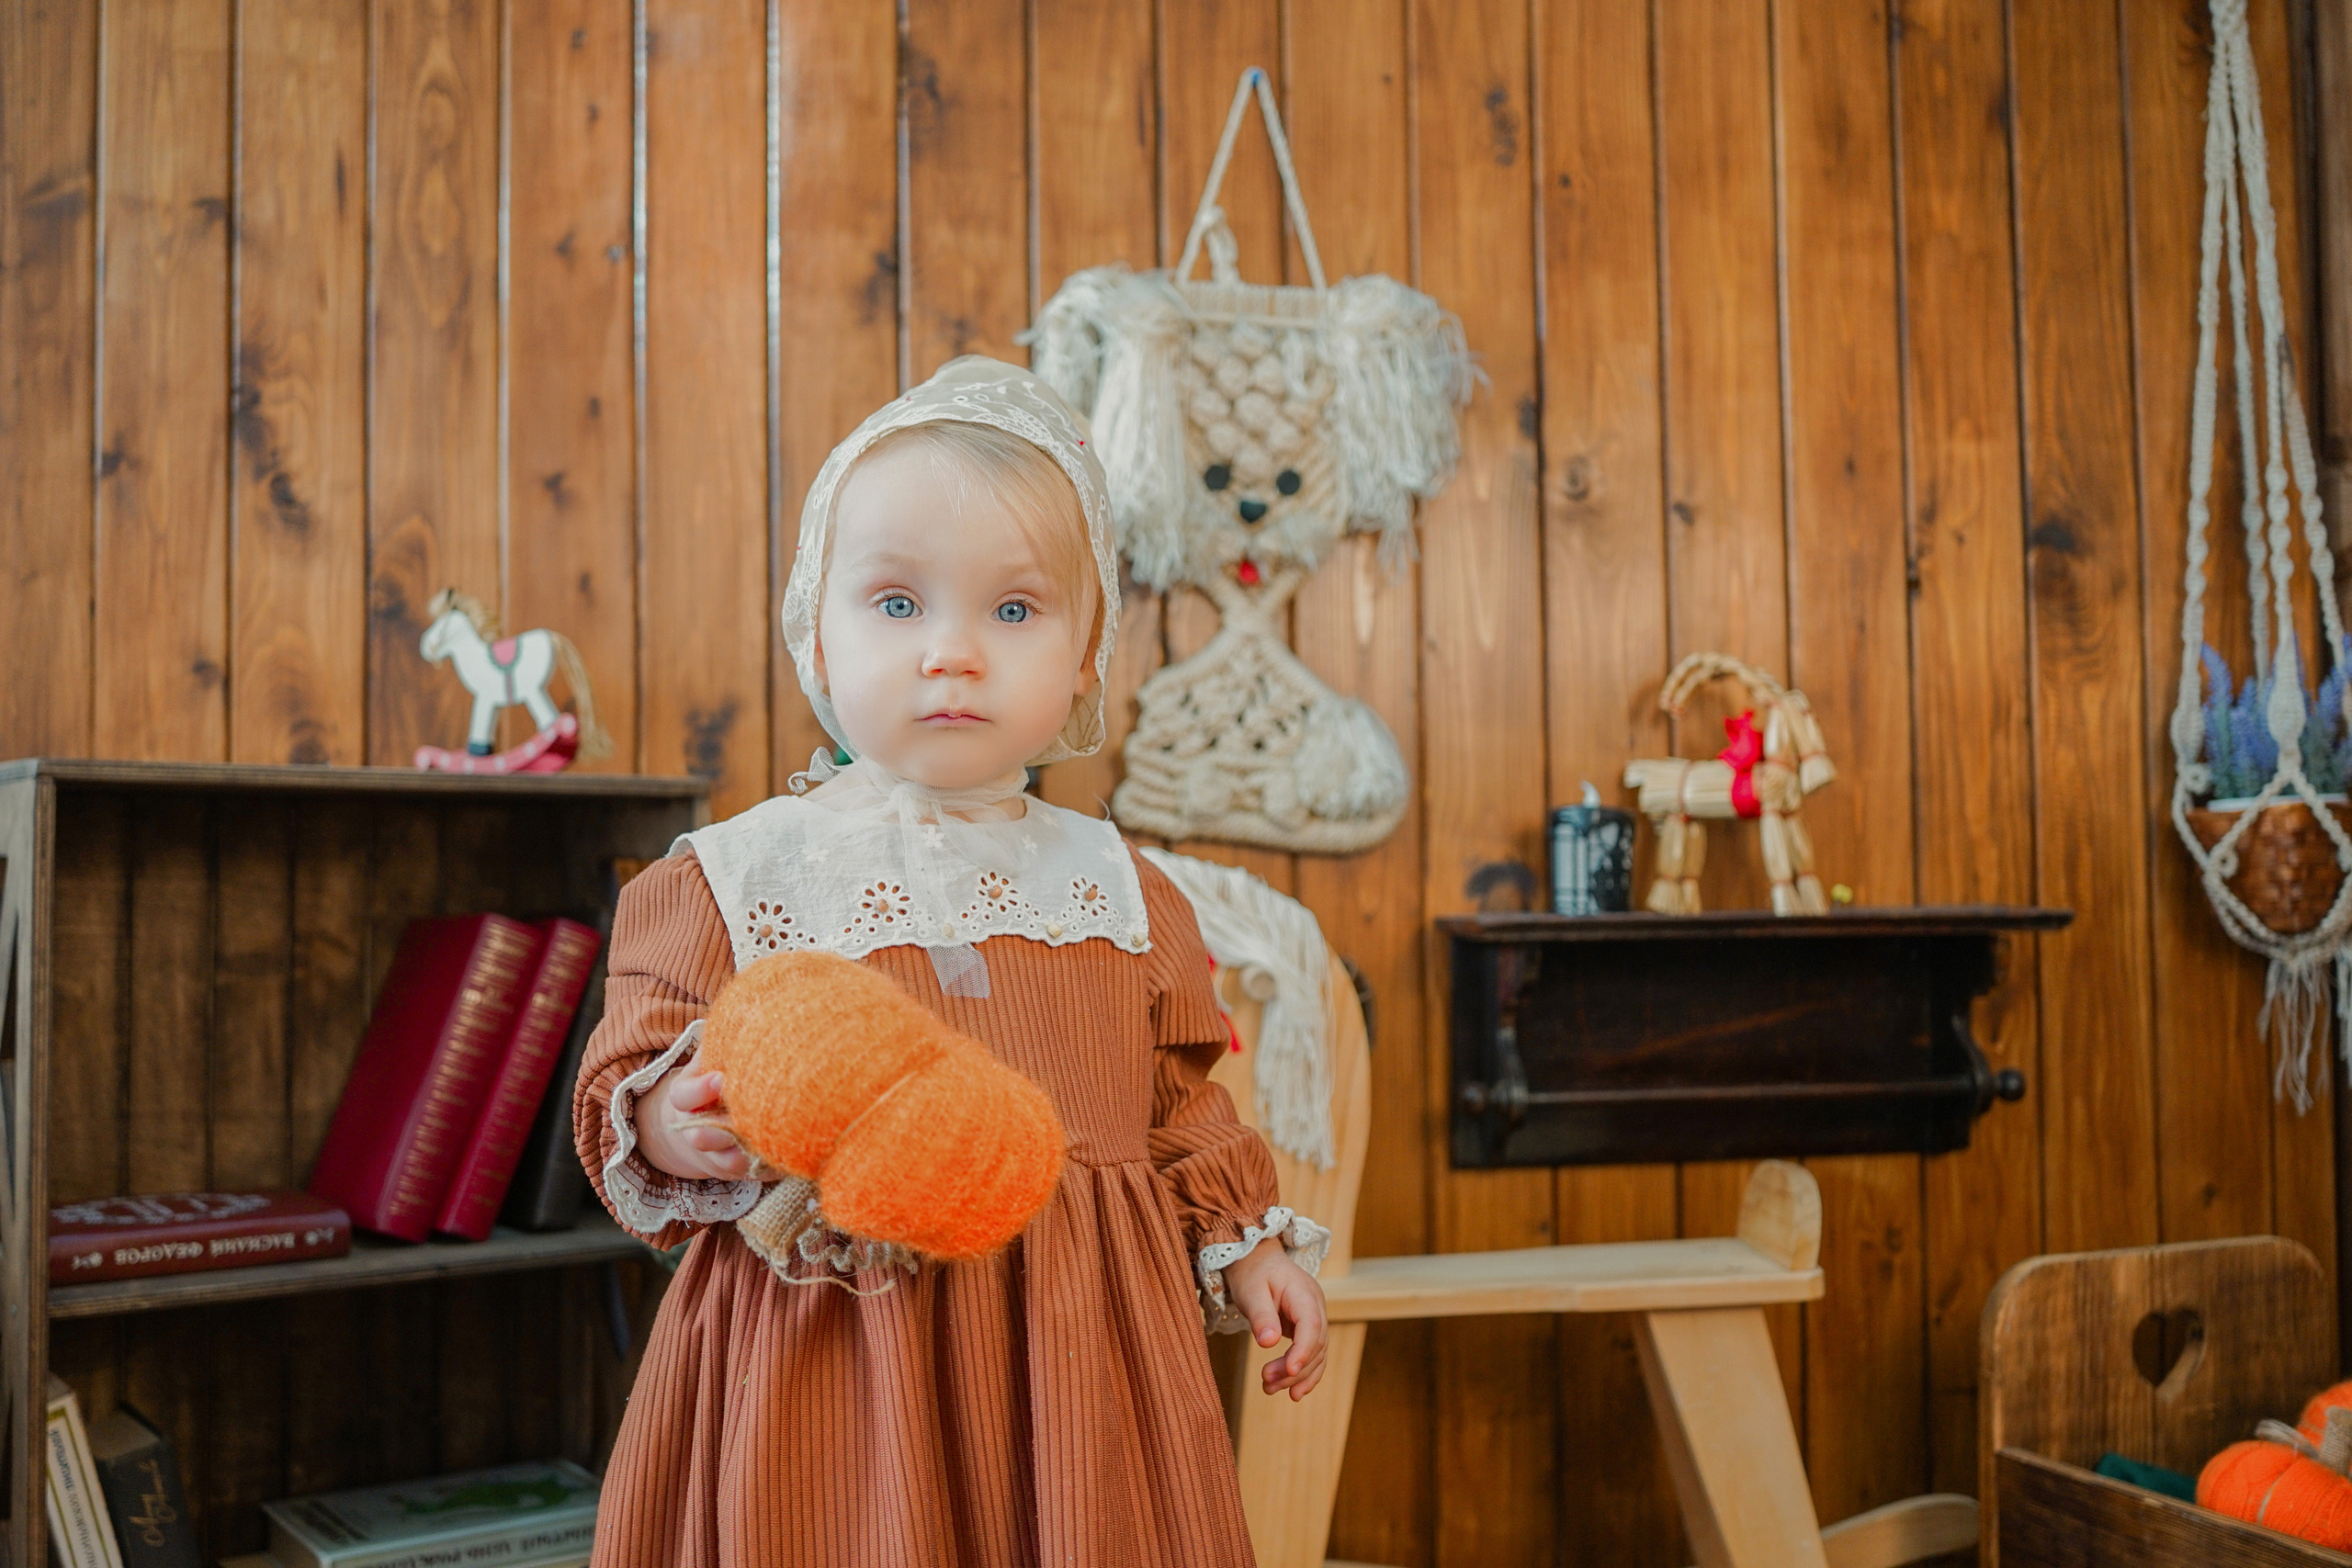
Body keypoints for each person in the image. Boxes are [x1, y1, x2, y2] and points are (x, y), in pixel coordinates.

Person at [576, 356, 1330, 1566]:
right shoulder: (737, 876)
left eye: (1015, 611)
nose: (953, 652)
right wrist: (674, 1116)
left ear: (1088, 656)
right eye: (895, 604)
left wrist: (1253, 1246)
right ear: (814, 634)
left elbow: (1176, 1100)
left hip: (1079, 1366)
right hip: (831, 1349)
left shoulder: (1121, 889)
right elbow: (631, 1062)